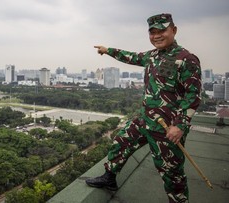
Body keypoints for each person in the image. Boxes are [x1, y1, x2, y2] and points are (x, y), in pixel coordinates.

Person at [85, 13, 201, 203]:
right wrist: (108, 50)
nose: (157, 36)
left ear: (174, 30)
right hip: (145, 119)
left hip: (167, 128)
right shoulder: (152, 56)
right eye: (152, 32)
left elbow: (193, 96)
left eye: (161, 31)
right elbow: (130, 57)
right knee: (121, 142)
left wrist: (180, 126)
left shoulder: (186, 59)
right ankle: (109, 178)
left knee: (171, 173)